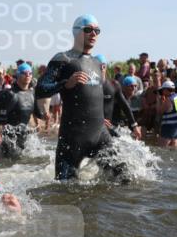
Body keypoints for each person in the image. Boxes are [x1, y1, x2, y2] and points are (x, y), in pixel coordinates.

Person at [36, 15, 130, 181]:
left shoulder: (95, 62)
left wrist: (105, 120)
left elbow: (98, 96)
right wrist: (66, 83)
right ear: (76, 32)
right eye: (88, 30)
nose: (93, 34)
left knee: (125, 180)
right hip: (72, 140)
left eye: (97, 31)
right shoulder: (63, 59)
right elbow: (41, 90)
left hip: (99, 135)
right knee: (65, 192)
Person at [0, 62, 37, 158]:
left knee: (23, 164)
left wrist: (41, 119)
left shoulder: (32, 93)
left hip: (25, 135)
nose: (28, 75)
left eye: (30, 73)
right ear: (18, 75)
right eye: (24, 73)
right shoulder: (9, 94)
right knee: (7, 164)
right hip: (9, 136)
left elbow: (35, 112)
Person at [157, 80, 177, 147]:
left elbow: (159, 111)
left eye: (162, 90)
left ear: (166, 90)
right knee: (173, 144)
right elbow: (172, 109)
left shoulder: (169, 99)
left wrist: (159, 100)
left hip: (171, 124)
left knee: (162, 147)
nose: (162, 91)